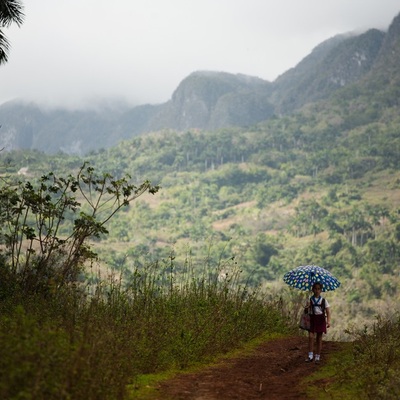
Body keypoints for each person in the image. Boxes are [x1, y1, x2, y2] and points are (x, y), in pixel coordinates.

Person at [305, 282, 331, 364]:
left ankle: (317, 357)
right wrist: (307, 307)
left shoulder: (323, 300)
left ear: (321, 290)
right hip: (312, 319)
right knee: (310, 336)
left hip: (321, 319)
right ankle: (310, 355)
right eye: (315, 289)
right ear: (312, 289)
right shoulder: (310, 300)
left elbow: (328, 312)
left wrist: (328, 321)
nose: (317, 290)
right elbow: (306, 311)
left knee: (319, 338)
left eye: (318, 289)